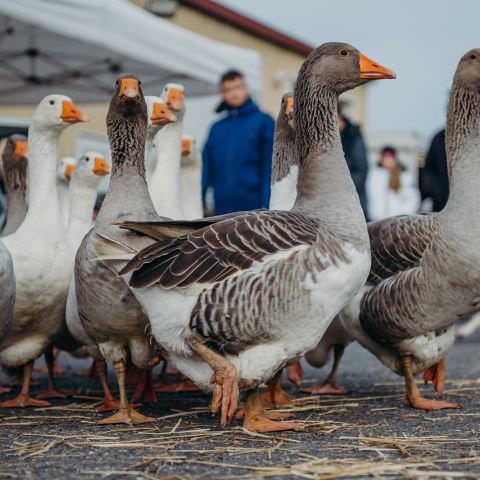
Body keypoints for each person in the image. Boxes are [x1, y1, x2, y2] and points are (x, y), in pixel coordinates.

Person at [202, 70, 275, 215]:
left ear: (246, 88)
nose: (234, 93)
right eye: (228, 89)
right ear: (223, 94)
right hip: (221, 209)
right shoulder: (216, 128)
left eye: (238, 87)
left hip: (254, 210)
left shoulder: (264, 121)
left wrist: (268, 207)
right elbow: (206, 167)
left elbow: (270, 166)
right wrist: (201, 199)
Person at [366, 146, 420, 221]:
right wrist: (373, 213)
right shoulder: (373, 174)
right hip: (377, 220)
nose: (387, 160)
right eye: (385, 157)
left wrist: (403, 214)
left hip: (398, 221)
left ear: (394, 158)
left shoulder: (404, 175)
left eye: (390, 157)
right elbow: (369, 195)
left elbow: (413, 198)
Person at [338, 111, 369, 218]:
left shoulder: (354, 137)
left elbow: (361, 169)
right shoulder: (334, 138)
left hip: (353, 196)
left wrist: (344, 187)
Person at [419, 128, 449, 212]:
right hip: (441, 200)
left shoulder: (472, 135)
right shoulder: (439, 138)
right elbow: (428, 169)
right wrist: (433, 193)